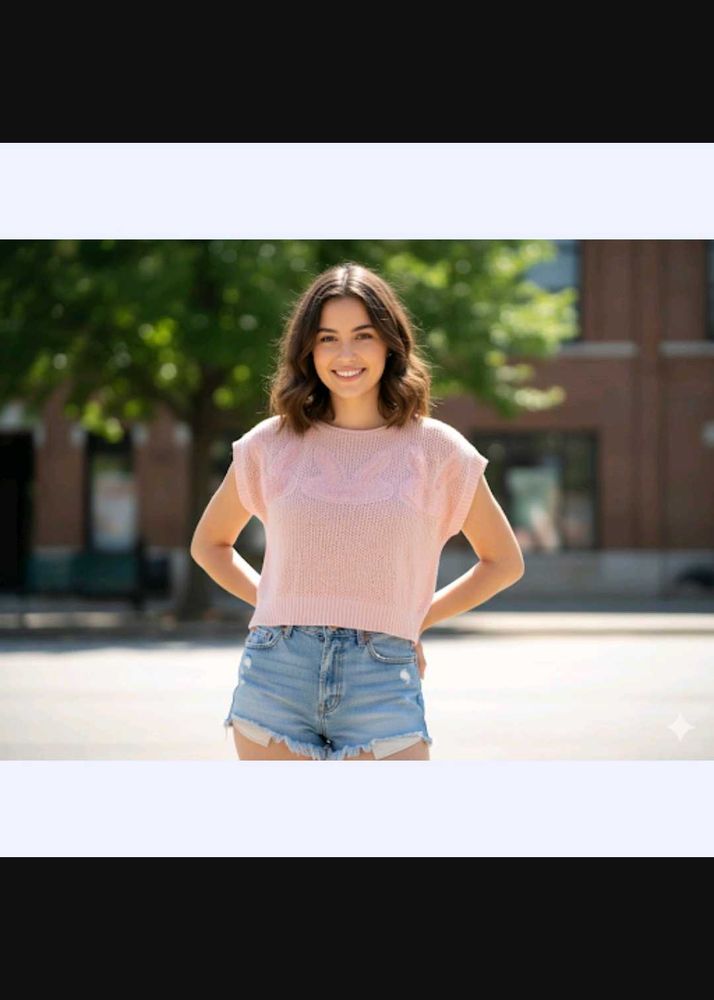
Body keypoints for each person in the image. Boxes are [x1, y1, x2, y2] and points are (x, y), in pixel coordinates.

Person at [190, 262, 525, 760]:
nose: (345, 354)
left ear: (390, 343)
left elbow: (504, 561)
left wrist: (415, 618)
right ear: (308, 349)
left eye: (362, 335)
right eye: (327, 338)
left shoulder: (437, 450)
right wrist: (279, 602)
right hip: (276, 673)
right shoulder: (271, 444)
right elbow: (209, 546)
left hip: (383, 673)